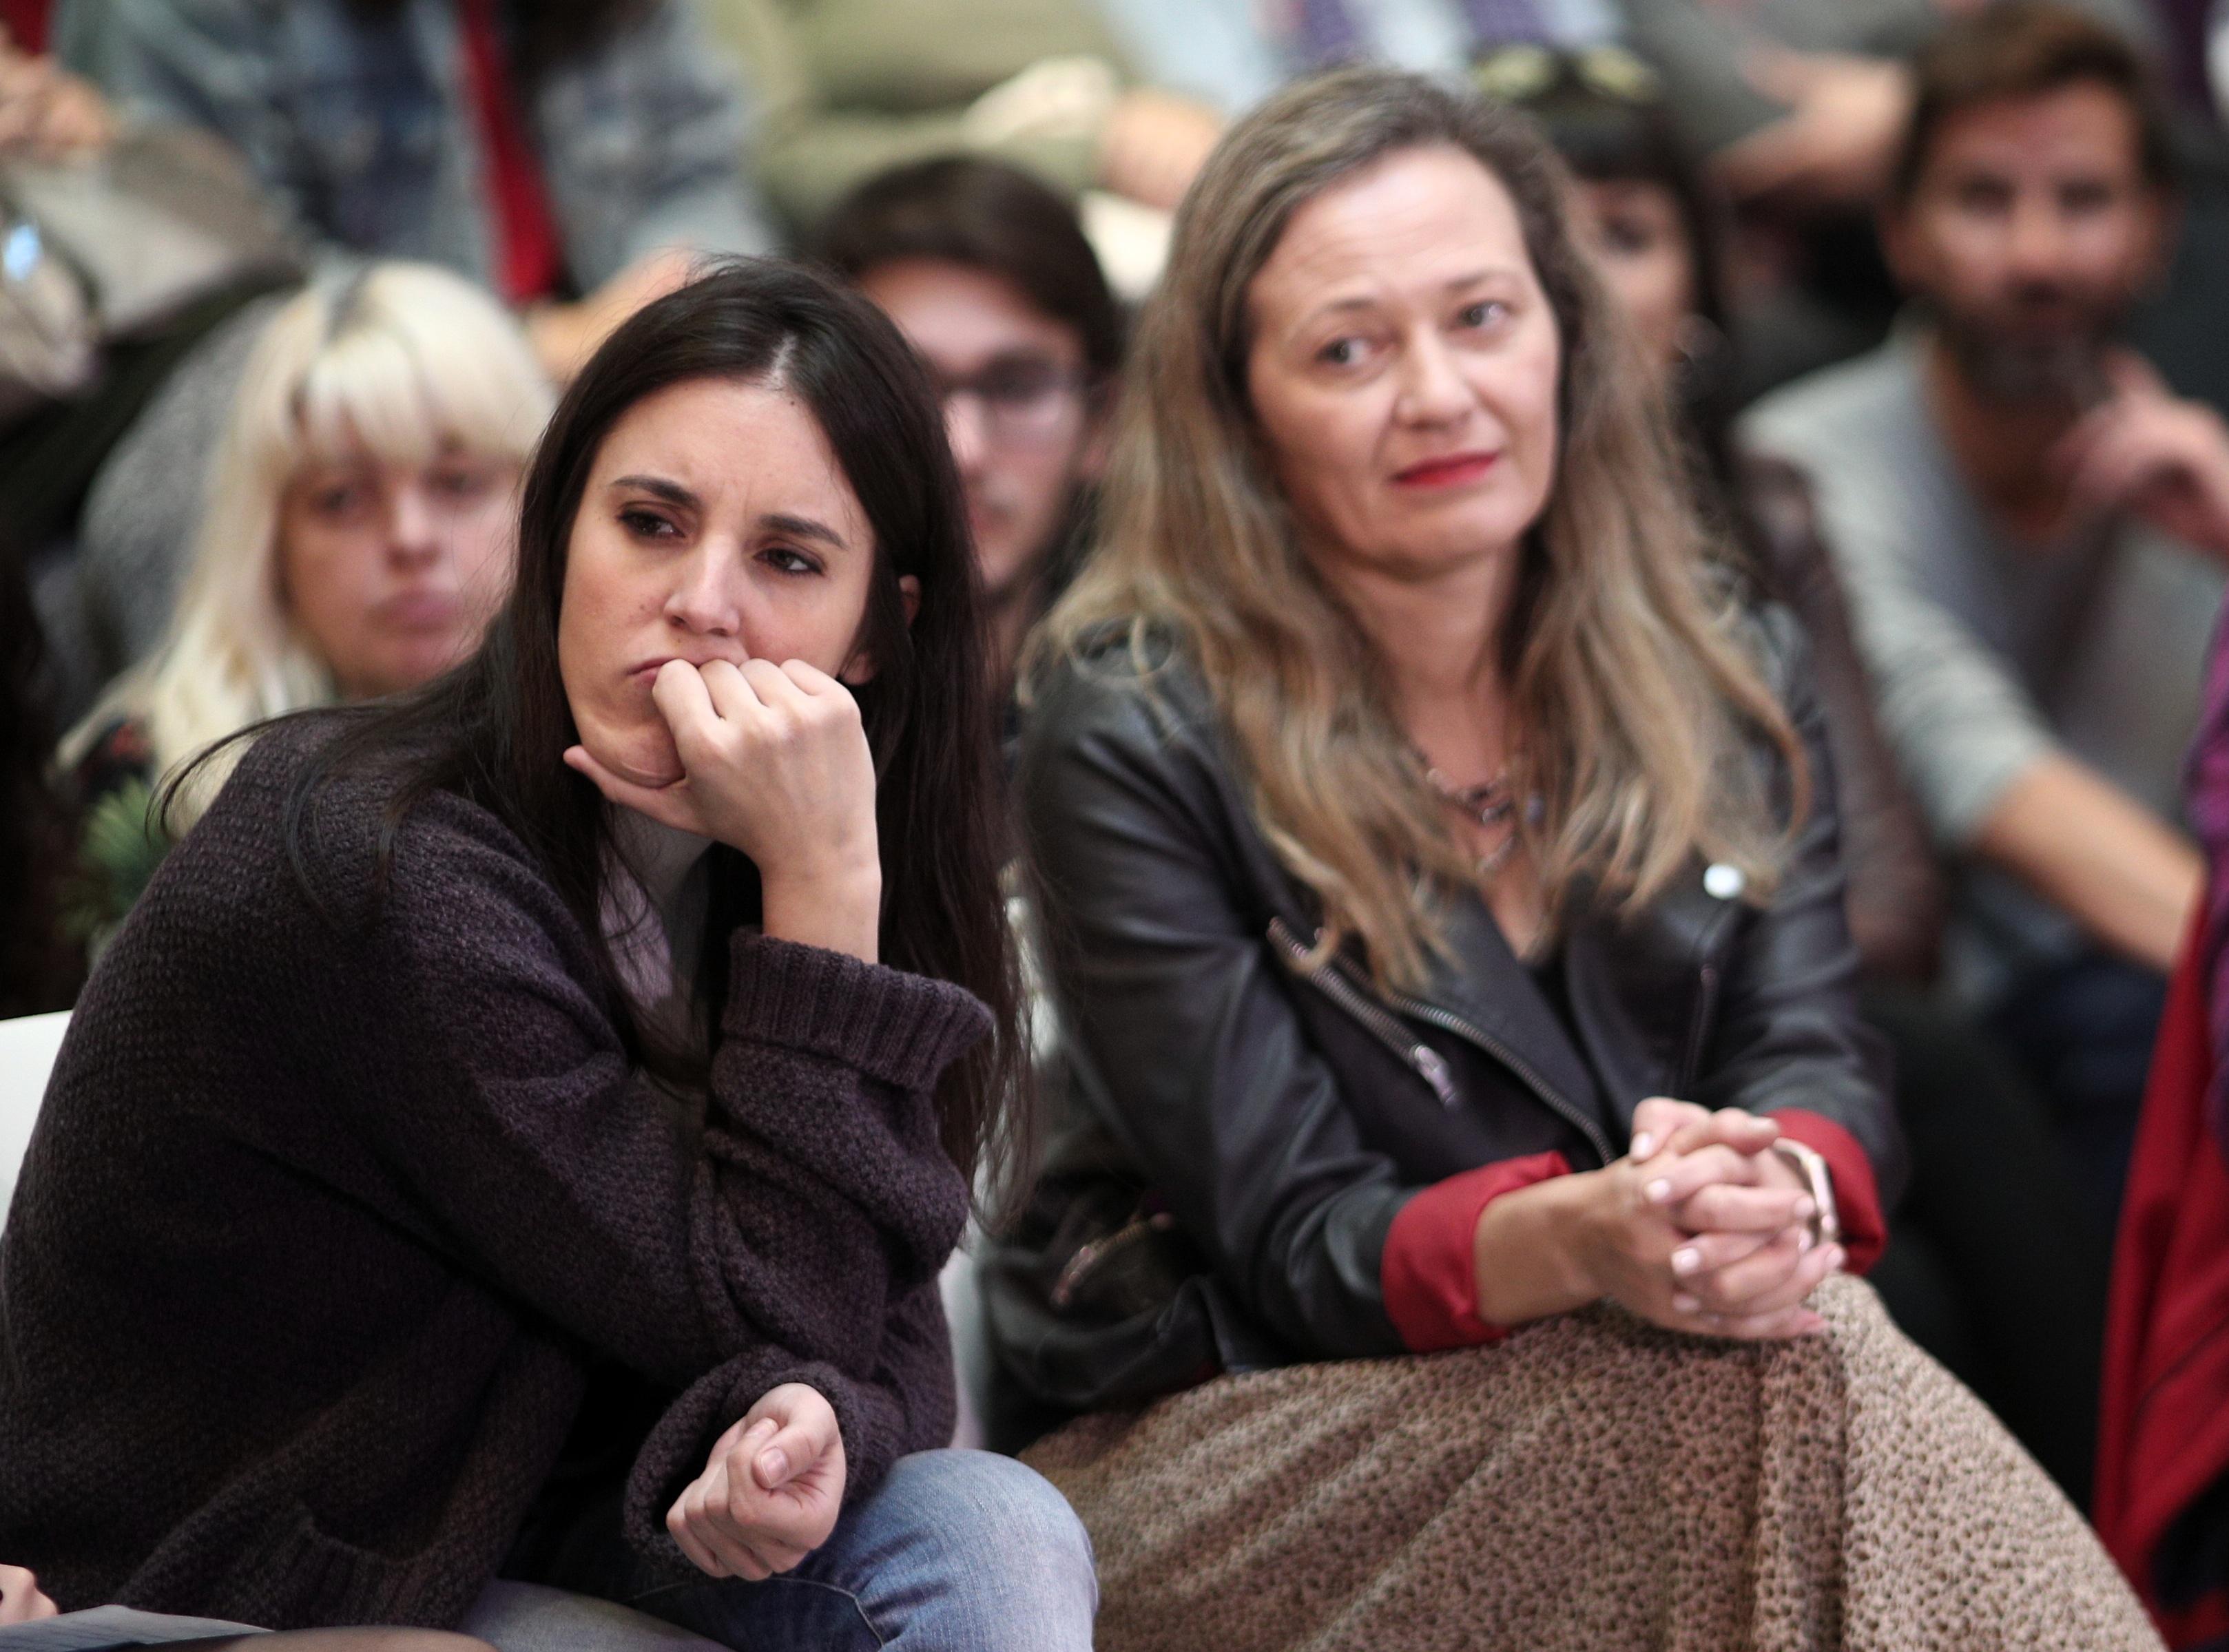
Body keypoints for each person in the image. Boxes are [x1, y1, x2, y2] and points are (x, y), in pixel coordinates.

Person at [982, 65, 2159, 1649]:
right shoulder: (1130, 724)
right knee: (1786, 1380)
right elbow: (1297, 1236)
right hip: (1238, 1425)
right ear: (1237, 410)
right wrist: (1595, 1234)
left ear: (1565, 332)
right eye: (1348, 348)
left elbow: (1812, 1037)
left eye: (1480, 317)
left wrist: (1780, 1186)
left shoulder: (1719, 656)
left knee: (1799, 1342)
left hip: (1641, 1361)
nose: (1440, 394)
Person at [0, 260, 1095, 1646]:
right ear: (555, 534)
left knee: (991, 1522)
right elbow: (753, 1300)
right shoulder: (377, 864)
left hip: (523, 1503)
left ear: (881, 629)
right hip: (258, 1569)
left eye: (790, 558)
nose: (703, 601)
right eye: (649, 521)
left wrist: (817, 1418)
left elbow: (875, 1311)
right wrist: (826, 882)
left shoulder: (765, 856)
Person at [1742, 1, 2229, 1235]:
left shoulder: (2191, 460)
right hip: (1962, 1024)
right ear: (1901, 233)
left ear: (2158, 230)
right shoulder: (1805, 469)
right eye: (1981, 199)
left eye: (2082, 199)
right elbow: (1986, 777)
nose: (2034, 254)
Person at [56, 262, 552, 941]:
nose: (410, 538)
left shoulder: (619, 763)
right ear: (271, 542)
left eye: (457, 483)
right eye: (343, 498)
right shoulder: (142, 780)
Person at [54, 0, 774, 384]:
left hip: (609, 349)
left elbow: (701, 165)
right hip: (356, 385)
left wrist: (665, 306)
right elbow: (226, 285)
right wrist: (520, 348)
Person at [818, 156, 1121, 700]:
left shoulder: (1180, 710)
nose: (962, 450)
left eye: (1018, 386)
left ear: (1103, 424)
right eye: (906, 386)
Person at [703, 0, 1223, 234]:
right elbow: (783, 164)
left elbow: (1145, 96)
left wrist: (1178, 130)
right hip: (961, 227)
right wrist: (1083, 153)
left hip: (1142, 186)